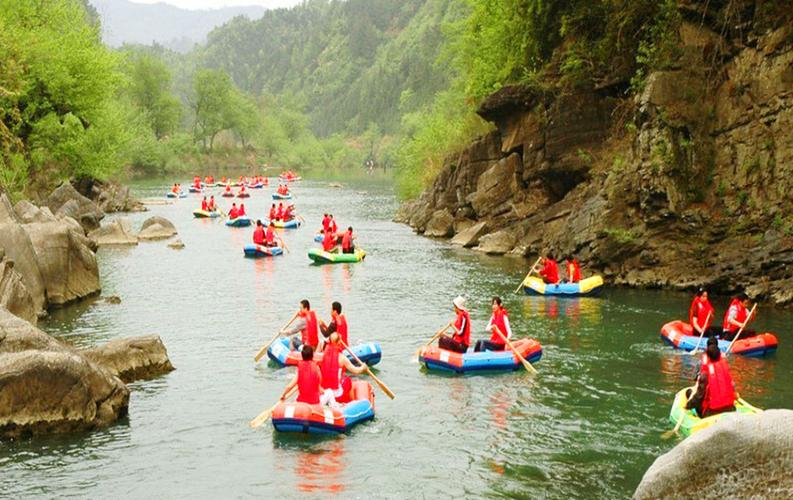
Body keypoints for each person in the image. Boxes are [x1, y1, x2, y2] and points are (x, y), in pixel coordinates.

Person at [686, 337, 737, 418]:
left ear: (708, 357)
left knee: (689, 392)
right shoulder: (725, 369)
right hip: (730, 409)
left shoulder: (705, 375)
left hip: (712, 412)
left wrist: (688, 406)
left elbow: (699, 397)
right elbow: (733, 388)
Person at [319, 332, 366, 407]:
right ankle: (352, 403)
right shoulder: (342, 358)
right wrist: (363, 367)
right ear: (338, 342)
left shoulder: (322, 355)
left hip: (325, 391)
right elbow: (356, 371)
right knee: (348, 380)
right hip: (337, 395)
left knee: (341, 379)